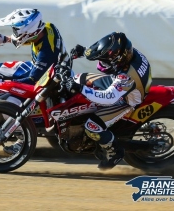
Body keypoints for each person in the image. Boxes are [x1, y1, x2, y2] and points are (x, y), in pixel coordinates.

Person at [65, 32, 152, 170]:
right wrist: (84, 52)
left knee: (92, 126)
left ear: (118, 60)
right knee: (78, 77)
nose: (103, 63)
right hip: (121, 82)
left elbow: (108, 97)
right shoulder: (126, 50)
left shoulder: (126, 76)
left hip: (126, 100)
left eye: (106, 61)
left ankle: (116, 152)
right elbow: (106, 50)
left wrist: (81, 89)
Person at [0, 8, 69, 154]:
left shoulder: (46, 53)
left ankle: (23, 140)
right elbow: (26, 38)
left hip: (50, 81)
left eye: (16, 30)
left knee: (11, 103)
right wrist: (7, 39)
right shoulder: (46, 28)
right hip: (46, 70)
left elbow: (33, 80)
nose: (14, 32)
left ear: (30, 31)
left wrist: (5, 84)